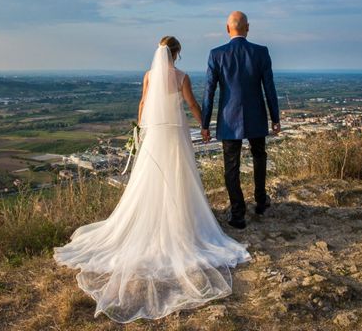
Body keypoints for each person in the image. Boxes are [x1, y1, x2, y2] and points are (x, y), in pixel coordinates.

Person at [54, 36, 251, 323]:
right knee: (178, 175)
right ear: (177, 53)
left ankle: (156, 219)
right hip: (174, 133)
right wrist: (204, 126)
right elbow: (192, 104)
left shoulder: (149, 76)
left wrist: (140, 131)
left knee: (150, 179)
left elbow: (144, 102)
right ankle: (178, 220)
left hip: (154, 133)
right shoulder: (180, 76)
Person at [201, 12, 280, 229]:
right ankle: (261, 201)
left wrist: (205, 124)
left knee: (231, 166)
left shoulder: (216, 54)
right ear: (248, 27)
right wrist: (275, 118)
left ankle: (238, 214)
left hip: (228, 118)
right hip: (256, 115)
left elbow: (209, 92)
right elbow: (269, 88)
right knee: (259, 157)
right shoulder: (261, 52)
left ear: (228, 29)